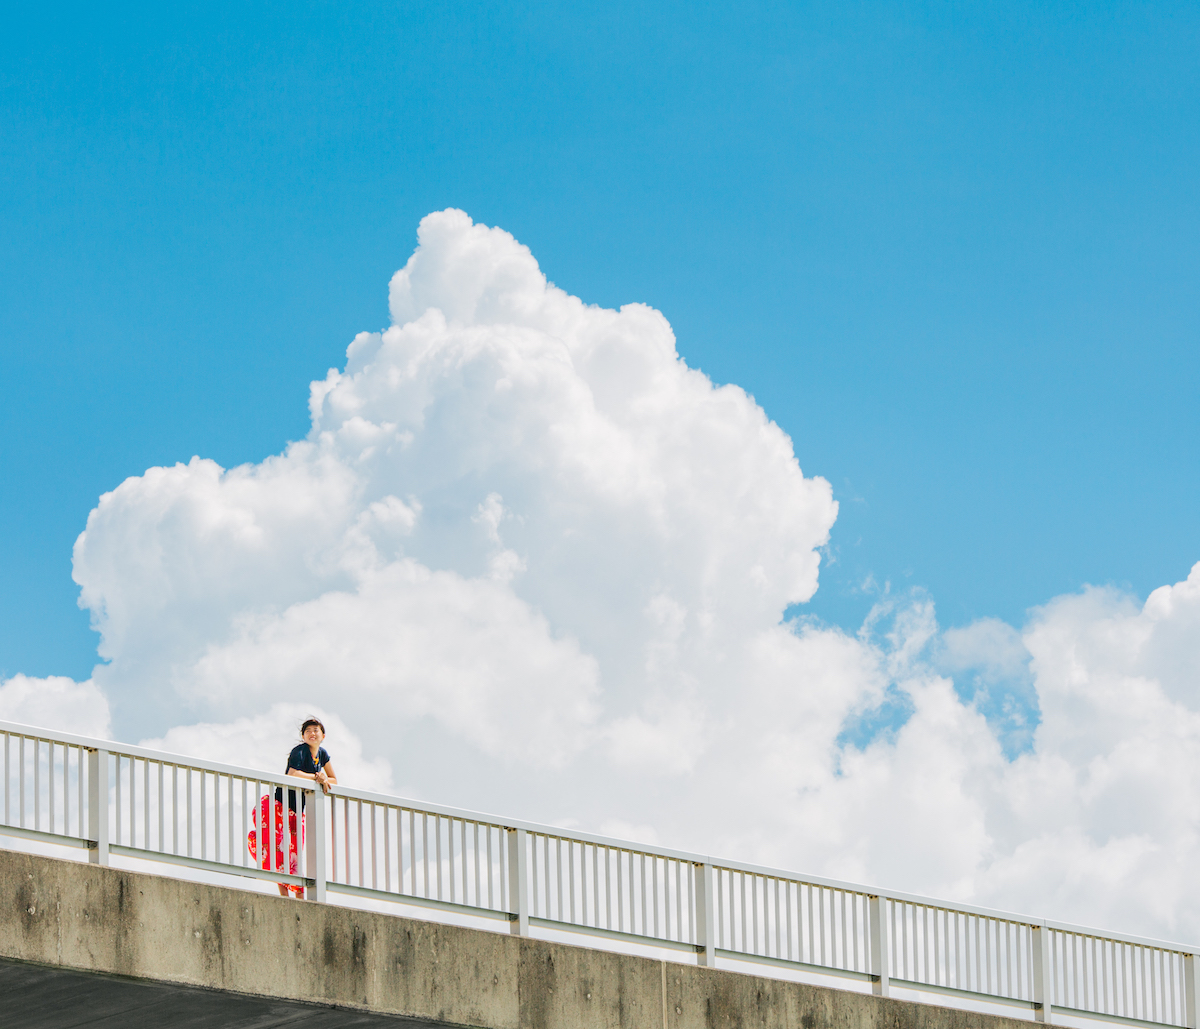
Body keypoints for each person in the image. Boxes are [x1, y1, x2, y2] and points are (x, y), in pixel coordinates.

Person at [247, 718, 339, 897]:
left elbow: (334, 779)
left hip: (296, 811)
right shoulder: (300, 751)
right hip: (279, 807)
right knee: (278, 851)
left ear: (323, 736)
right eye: (308, 731)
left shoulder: (322, 754)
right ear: (303, 736)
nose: (312, 733)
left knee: (294, 854)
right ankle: (285, 896)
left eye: (316, 730)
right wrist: (316, 777)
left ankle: (299, 896)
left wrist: (324, 778)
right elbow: (293, 773)